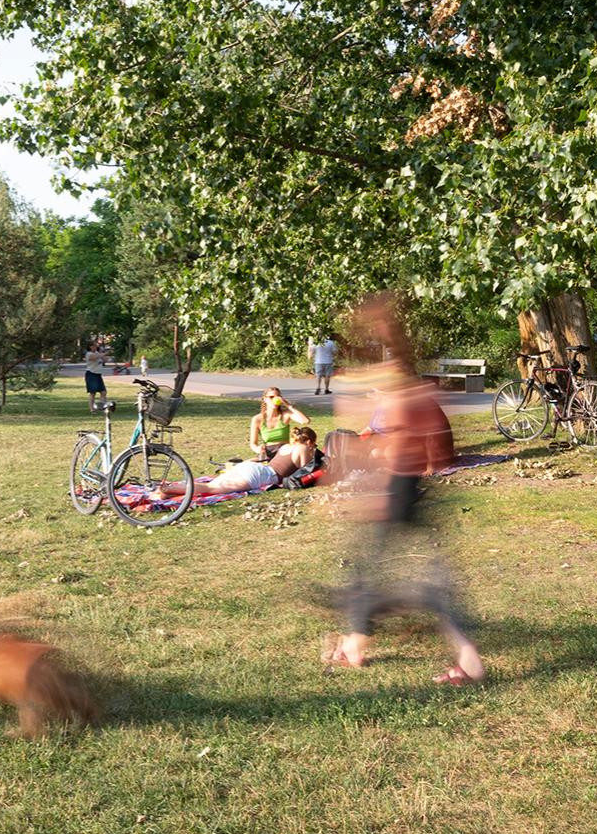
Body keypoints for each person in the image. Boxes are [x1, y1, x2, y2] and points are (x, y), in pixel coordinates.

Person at [323, 293, 483, 687]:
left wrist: (376, 484)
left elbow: (395, 440)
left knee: (386, 574)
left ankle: (356, 647)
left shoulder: (396, 385)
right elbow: (431, 446)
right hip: (409, 486)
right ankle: (357, 645)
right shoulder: (412, 385)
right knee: (400, 571)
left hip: (396, 487)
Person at [163, 426, 320, 497]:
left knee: (214, 484)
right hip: (260, 476)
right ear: (309, 442)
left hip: (252, 467)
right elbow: (307, 471)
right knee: (210, 488)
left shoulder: (287, 446)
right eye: (314, 444)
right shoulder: (303, 449)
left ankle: (169, 490)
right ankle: (168, 489)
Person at [249, 387, 310, 460]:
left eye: (278, 397)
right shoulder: (257, 419)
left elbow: (305, 421)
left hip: (284, 452)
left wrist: (288, 405)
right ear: (265, 399)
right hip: (268, 453)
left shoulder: (286, 415)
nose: (275, 399)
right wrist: (258, 449)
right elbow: (253, 444)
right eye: (271, 397)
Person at [82, 341, 109, 413]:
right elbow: (94, 358)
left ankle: (102, 407)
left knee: (103, 392)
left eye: (96, 345)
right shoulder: (88, 354)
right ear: (90, 346)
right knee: (92, 393)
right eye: (94, 345)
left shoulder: (97, 353)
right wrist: (103, 354)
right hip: (91, 374)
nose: (96, 347)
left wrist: (103, 355)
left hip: (98, 374)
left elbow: (105, 360)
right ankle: (92, 409)